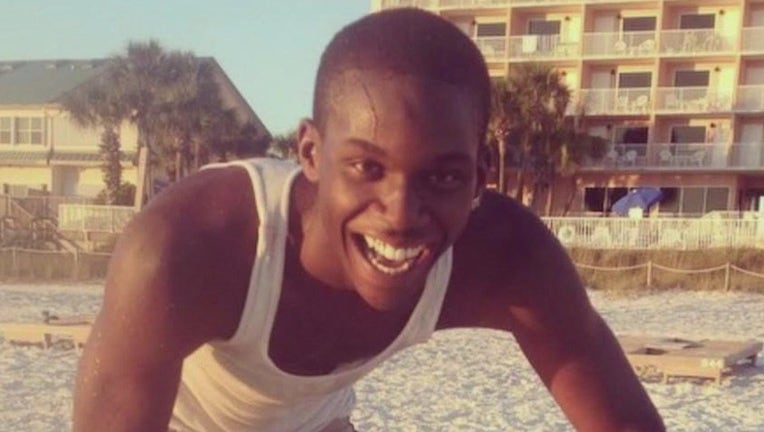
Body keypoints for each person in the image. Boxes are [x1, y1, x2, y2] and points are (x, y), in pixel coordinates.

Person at [72, 8, 664, 432]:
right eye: (367, 167)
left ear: (481, 176)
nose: (401, 215)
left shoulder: (506, 259)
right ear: (310, 153)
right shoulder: (189, 251)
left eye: (443, 177)